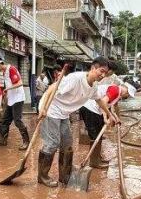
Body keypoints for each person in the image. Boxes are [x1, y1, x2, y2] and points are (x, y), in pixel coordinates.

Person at [37, 57, 118, 187]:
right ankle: (42, 176)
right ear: (93, 68)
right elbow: (52, 88)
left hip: (64, 113)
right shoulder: (76, 78)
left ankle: (65, 175)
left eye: (105, 73)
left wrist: (110, 114)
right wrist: (43, 108)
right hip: (51, 109)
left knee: (67, 144)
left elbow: (99, 100)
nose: (103, 75)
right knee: (52, 143)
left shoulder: (93, 86)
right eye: (101, 71)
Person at [80, 83, 135, 168]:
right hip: (90, 109)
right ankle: (94, 162)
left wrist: (116, 118)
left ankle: (97, 158)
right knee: (95, 136)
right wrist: (105, 118)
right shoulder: (115, 90)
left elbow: (110, 106)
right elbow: (103, 102)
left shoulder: (117, 92)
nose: (127, 97)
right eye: (128, 95)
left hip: (95, 109)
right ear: (126, 91)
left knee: (99, 134)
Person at [0, 56, 29, 150]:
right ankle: (3, 141)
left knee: (17, 120)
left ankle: (26, 142)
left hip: (18, 99)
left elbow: (19, 83)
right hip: (11, 99)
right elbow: (11, 84)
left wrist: (7, 89)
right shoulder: (5, 72)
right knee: (4, 121)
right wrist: (6, 94)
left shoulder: (11, 69)